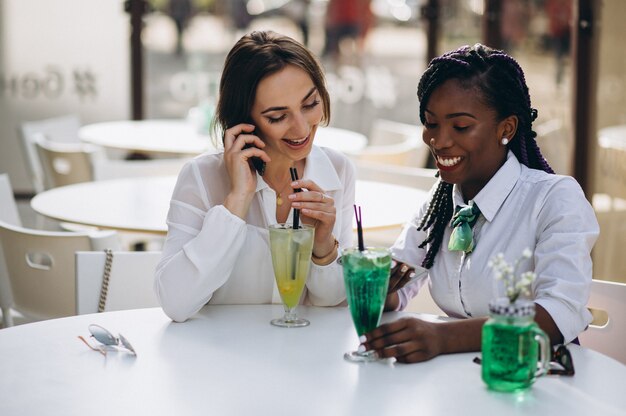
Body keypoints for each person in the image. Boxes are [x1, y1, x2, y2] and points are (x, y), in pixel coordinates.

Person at [359, 44, 599, 363]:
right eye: (431, 123)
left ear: (506, 128)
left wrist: (443, 338)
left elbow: (557, 315)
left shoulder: (554, 199)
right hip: (459, 384)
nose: (439, 141)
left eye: (460, 126)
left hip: (531, 382)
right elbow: (397, 287)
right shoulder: (441, 203)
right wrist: (384, 292)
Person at [155, 31, 355, 322]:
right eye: (277, 116)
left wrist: (324, 247)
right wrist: (236, 201)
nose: (301, 128)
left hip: (301, 359)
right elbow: (175, 303)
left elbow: (331, 303)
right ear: (244, 120)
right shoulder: (201, 177)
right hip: (218, 360)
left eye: (310, 104)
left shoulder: (338, 170)